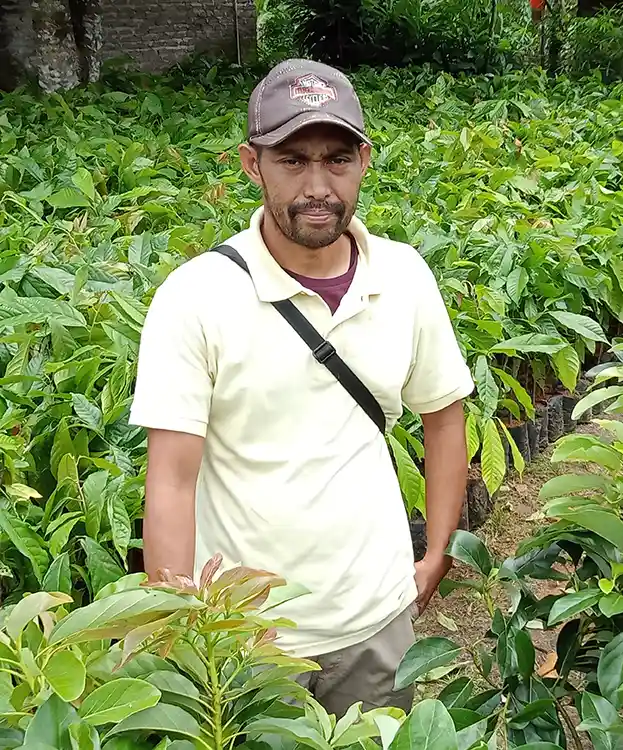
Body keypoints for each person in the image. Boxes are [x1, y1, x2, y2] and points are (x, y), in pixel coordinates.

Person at [128, 58, 474, 717]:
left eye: (337, 159)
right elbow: (170, 479)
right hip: (245, 638)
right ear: (251, 164)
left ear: (364, 161)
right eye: (292, 160)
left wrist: (437, 553)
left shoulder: (403, 277)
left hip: (376, 617)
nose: (318, 185)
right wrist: (184, 630)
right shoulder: (196, 297)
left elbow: (445, 414)